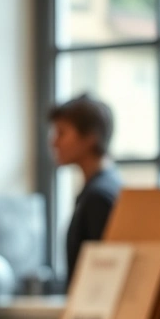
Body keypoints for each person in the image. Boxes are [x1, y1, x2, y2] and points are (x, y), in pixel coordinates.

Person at [49, 94, 122, 285]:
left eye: (61, 133)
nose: (54, 142)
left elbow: (103, 277)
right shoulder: (104, 187)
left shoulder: (99, 196)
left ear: (90, 137)